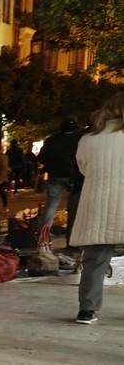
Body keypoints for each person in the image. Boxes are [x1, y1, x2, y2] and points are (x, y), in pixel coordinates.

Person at [68, 94, 124, 324]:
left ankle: (87, 310)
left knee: (95, 260)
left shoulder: (88, 138)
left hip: (97, 203)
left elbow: (83, 168)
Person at [38, 120, 82, 231]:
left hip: (54, 174)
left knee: (52, 202)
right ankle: (72, 234)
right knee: (73, 205)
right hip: (73, 175)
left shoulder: (51, 140)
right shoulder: (79, 139)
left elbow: (41, 157)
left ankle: (44, 232)